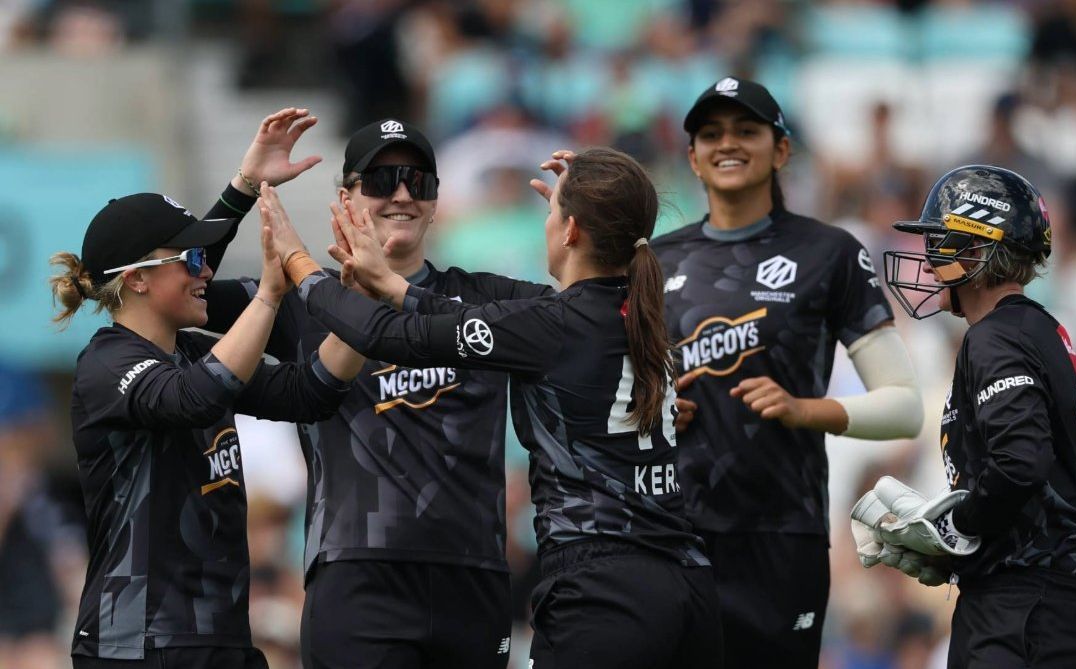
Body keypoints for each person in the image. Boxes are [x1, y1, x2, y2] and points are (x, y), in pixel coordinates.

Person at [268, 147, 721, 668]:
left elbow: (381, 333)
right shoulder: (638, 317)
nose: (544, 226)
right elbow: (459, 317)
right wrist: (393, 285)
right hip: (688, 579)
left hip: (604, 589)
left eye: (552, 216)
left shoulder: (552, 325)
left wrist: (297, 263)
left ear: (571, 231)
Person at [202, 119, 553, 669]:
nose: (403, 194)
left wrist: (582, 221)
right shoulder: (298, 302)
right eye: (382, 179)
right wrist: (243, 186)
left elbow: (590, 310)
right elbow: (186, 282)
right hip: (356, 578)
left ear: (438, 202)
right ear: (346, 197)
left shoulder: (486, 297)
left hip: (475, 578)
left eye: (419, 180)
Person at [649, 76, 924, 667]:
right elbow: (616, 399)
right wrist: (652, 410)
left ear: (781, 150)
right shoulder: (653, 261)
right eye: (712, 133)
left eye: (747, 130)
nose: (729, 143)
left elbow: (904, 405)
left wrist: (806, 410)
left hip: (782, 535)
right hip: (671, 533)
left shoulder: (828, 252)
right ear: (692, 156)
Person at [51, 188, 365, 669]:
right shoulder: (106, 363)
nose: (207, 271)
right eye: (192, 257)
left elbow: (312, 391)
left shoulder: (193, 352)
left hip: (222, 638)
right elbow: (196, 397)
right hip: (137, 644)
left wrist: (365, 303)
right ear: (136, 279)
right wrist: (267, 293)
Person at [869, 164, 1076, 668]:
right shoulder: (1040, 330)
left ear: (976, 249)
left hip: (1022, 603)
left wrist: (955, 528)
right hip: (1052, 595)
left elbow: (1021, 461)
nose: (928, 257)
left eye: (940, 241)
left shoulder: (995, 337)